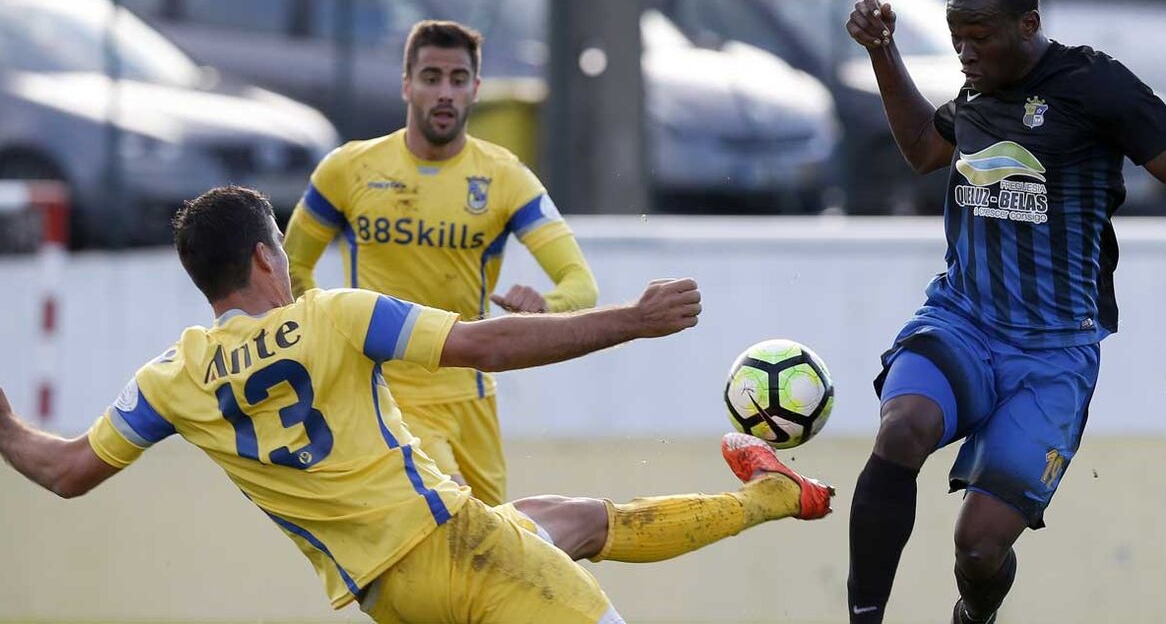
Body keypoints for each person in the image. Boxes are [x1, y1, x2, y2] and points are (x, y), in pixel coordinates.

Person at [0, 186, 834, 623]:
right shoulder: (331, 315)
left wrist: (4, 426)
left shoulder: (172, 376)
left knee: (573, 520)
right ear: (264, 257)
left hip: (389, 598)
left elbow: (66, 470)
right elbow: (485, 344)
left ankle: (771, 496)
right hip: (458, 548)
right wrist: (633, 321)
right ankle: (770, 496)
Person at [842, 0, 1166, 622]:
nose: (965, 54)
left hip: (1052, 355)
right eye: (957, 38)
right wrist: (883, 51)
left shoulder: (1095, 85)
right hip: (962, 321)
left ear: (1028, 24)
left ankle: (973, 615)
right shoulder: (978, 90)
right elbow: (923, 149)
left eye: (979, 37)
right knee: (903, 429)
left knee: (978, 549)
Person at [283, 19, 597, 507]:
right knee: (451, 515)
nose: (445, 92)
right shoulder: (348, 169)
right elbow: (291, 267)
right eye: (431, 78)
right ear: (407, 85)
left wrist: (546, 305)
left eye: (458, 79)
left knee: (496, 539)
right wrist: (331, 336)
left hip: (471, 393)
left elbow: (581, 284)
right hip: (387, 390)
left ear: (476, 88)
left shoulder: (505, 177)